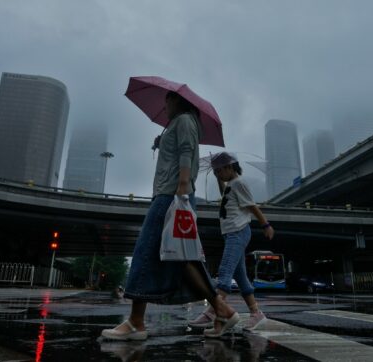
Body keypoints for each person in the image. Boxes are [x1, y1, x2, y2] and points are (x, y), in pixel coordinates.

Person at [101, 92, 238, 341]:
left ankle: (135, 322)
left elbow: (186, 150)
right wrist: (162, 142)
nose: (165, 104)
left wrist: (183, 184)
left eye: (168, 100)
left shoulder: (184, 120)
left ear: (179, 101)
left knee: (145, 251)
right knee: (184, 259)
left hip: (171, 194)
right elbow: (179, 149)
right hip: (175, 193)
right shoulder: (179, 124)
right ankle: (222, 310)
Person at [188, 152, 274, 331]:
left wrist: (266, 224)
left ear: (229, 167)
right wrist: (219, 179)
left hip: (238, 232)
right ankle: (256, 313)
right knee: (240, 277)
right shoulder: (231, 186)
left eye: (219, 171)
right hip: (232, 234)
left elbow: (251, 206)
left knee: (225, 271)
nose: (217, 174)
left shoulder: (239, 183)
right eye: (215, 172)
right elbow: (224, 192)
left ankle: (214, 313)